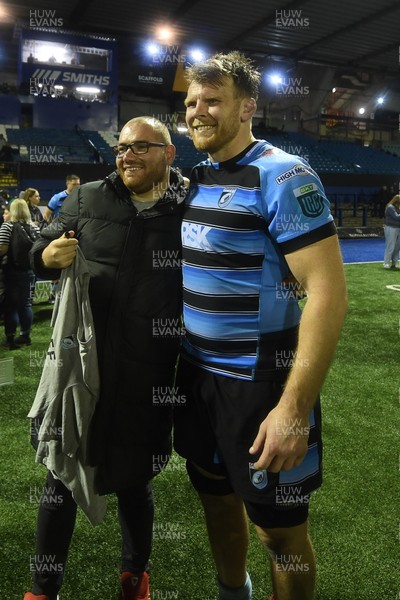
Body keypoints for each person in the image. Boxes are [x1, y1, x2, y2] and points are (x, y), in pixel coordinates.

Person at [173, 51, 348, 600]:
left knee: (279, 532)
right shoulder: (196, 177)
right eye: (190, 102)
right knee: (217, 503)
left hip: (262, 385)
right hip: (198, 381)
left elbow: (327, 293)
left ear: (248, 106)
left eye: (212, 101)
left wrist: (293, 408)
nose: (197, 112)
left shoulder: (286, 175)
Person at [24, 116, 187, 600]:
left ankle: (134, 578)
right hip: (81, 366)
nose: (127, 156)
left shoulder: (190, 208)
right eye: (121, 148)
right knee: (61, 476)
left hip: (150, 372)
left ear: (168, 154)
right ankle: (42, 588)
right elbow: (38, 244)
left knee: (136, 483)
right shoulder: (84, 198)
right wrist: (44, 255)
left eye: (140, 147)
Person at [0, 199, 40, 349]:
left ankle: (10, 339)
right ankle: (25, 336)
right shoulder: (34, 228)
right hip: (29, 271)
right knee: (25, 305)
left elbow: (2, 249)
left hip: (11, 271)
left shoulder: (7, 226)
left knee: (11, 306)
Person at [383, 193, 400, 269]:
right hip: (391, 228)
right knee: (390, 245)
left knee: (397, 247)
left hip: (398, 228)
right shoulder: (390, 207)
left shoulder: (397, 208)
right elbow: (396, 217)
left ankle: (394, 263)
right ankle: (386, 263)